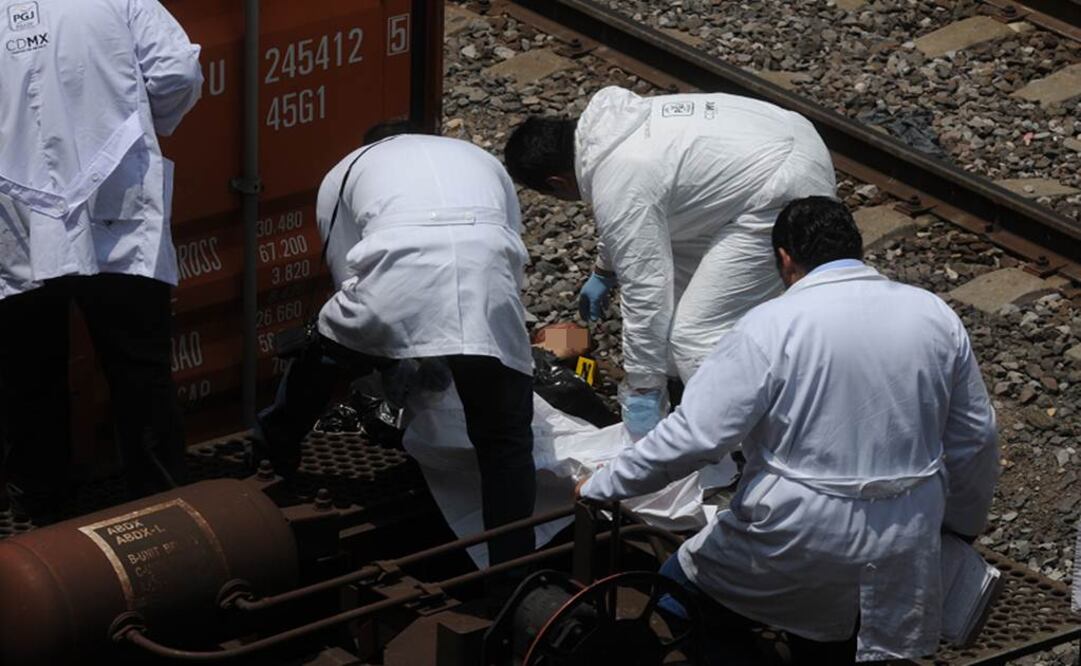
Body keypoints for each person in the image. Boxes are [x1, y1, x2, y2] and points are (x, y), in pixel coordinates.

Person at [575, 197, 1000, 664]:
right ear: (856, 250)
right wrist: (959, 526)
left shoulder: (768, 326)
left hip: (800, 529)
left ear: (784, 258)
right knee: (836, 637)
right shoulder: (934, 315)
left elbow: (696, 437)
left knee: (679, 590)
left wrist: (604, 484)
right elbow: (975, 437)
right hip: (906, 529)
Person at [257, 124, 536, 565]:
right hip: (488, 283)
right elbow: (510, 247)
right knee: (505, 439)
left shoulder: (345, 171)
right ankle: (512, 572)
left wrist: (392, 357)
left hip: (396, 276)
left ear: (369, 145)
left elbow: (346, 278)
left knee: (324, 347)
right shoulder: (477, 155)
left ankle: (275, 447)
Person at [504, 87, 836, 437]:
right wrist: (604, 268)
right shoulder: (611, 127)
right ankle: (703, 382)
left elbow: (645, 288)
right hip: (778, 140)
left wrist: (643, 387)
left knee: (693, 334)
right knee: (685, 288)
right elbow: (632, 217)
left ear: (556, 182)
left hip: (778, 186)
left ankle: (741, 439)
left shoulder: (619, 177)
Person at [0, 0, 203, 521]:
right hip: (116, 201)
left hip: (15, 218)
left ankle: (43, 520)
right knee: (139, 369)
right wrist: (137, 128)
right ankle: (162, 510)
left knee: (29, 377)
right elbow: (176, 71)